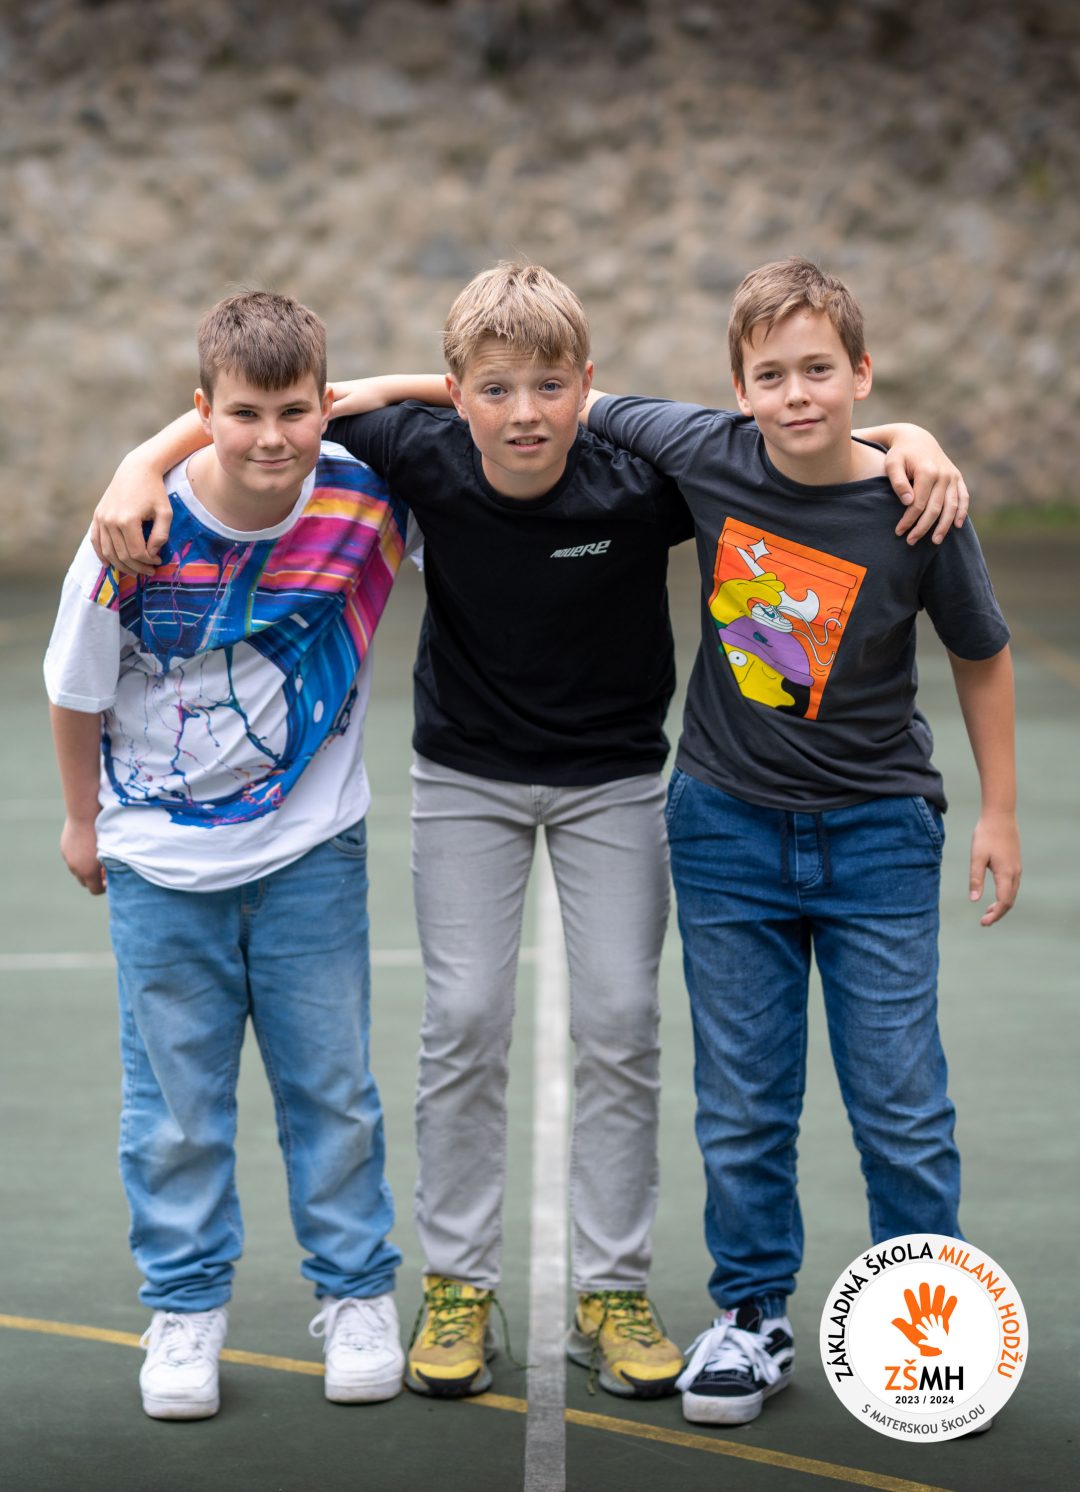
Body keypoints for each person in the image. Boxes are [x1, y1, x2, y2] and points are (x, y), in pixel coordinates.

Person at [89, 263, 968, 1406]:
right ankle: (458, 1281)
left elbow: (789, 439)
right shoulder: (424, 449)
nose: (524, 414)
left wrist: (910, 437)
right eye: (493, 390)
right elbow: (297, 404)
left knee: (619, 1023)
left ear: (586, 386)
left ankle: (613, 1289)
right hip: (467, 776)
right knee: (461, 1021)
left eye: (551, 387)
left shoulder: (642, 476)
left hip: (616, 782)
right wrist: (141, 462)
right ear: (457, 394)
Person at [581, 257, 1020, 1428]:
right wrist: (371, 394)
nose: (796, 393)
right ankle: (752, 1318)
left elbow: (981, 653)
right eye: (769, 375)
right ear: (738, 390)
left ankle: (927, 1329)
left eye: (819, 369)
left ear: (862, 374)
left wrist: (998, 810)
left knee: (902, 1104)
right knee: (742, 1102)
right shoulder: (707, 452)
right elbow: (550, 393)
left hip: (879, 836)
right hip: (725, 831)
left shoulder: (918, 505)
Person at [45, 292, 411, 1421]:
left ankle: (357, 1294)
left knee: (334, 1093)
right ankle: (185, 1308)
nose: (271, 437)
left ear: (326, 405)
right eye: (243, 413)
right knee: (175, 1111)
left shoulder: (365, 492)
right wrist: (80, 821)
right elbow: (75, 688)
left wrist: (145, 446)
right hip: (160, 870)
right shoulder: (134, 530)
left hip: (310, 852)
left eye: (296, 411)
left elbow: (486, 404)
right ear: (203, 411)